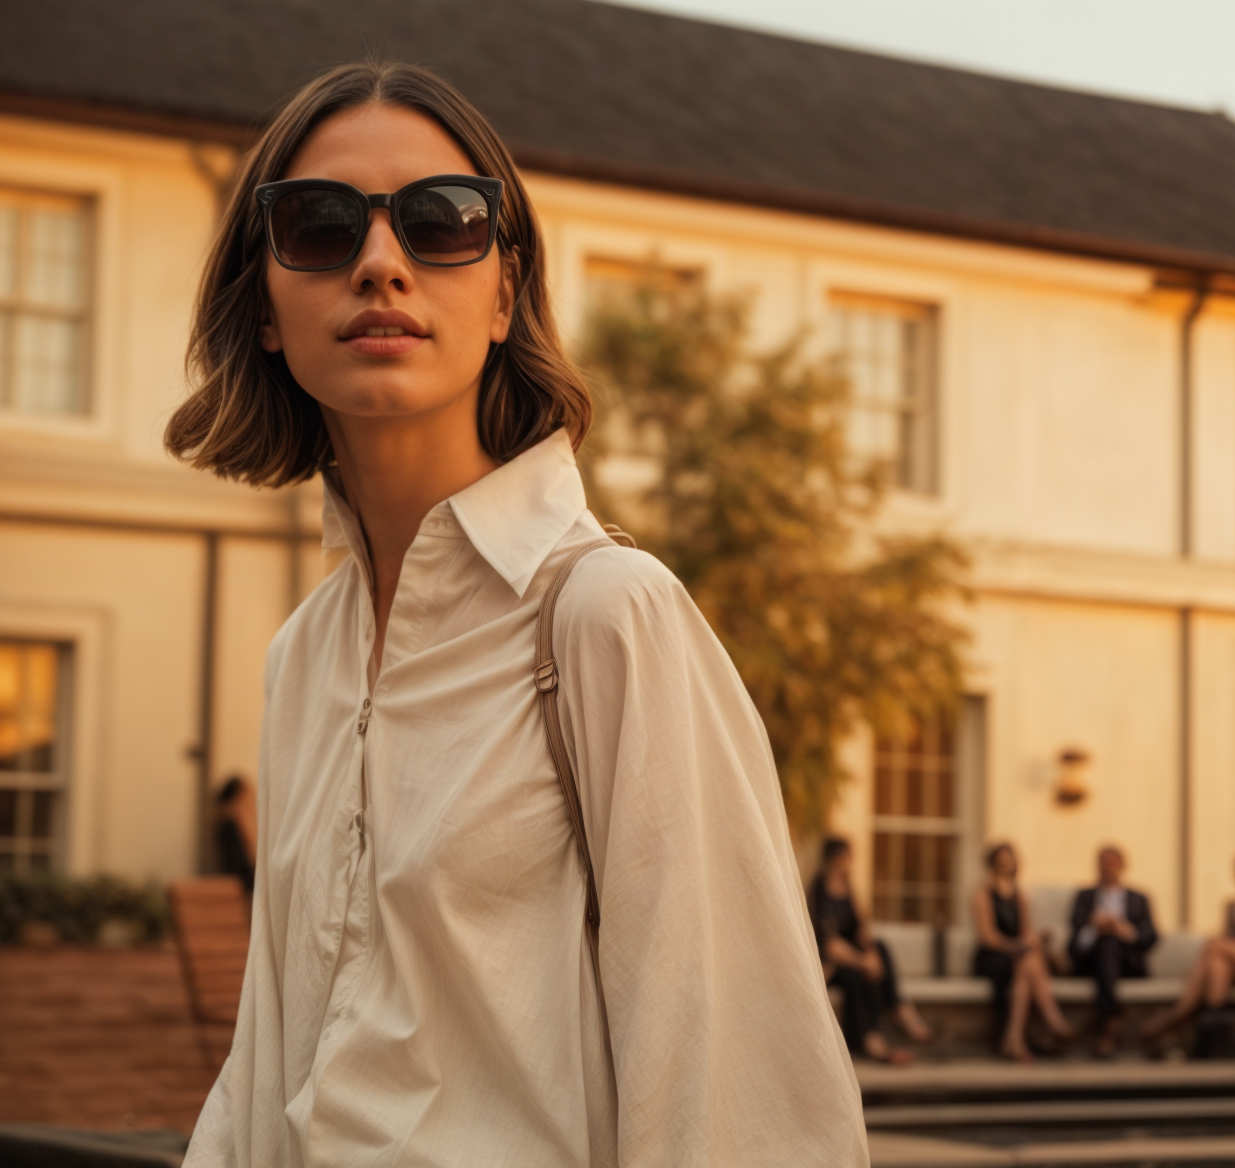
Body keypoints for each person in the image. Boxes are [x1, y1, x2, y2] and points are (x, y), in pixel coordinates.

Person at [166, 62, 866, 1165]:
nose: (380, 262)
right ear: (262, 305)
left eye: (443, 222)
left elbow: (740, 1096)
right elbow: (268, 1062)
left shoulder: (608, 617)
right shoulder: (304, 654)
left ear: (503, 296)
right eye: (320, 225)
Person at [1139, 853, 1235, 1046]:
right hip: (1233, 963)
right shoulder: (1232, 905)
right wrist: (1229, 947)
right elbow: (1226, 936)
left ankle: (1179, 1013)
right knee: (1216, 962)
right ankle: (1213, 1025)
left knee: (1215, 947)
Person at [808, 836, 931, 1065]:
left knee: (881, 948)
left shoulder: (847, 888)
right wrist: (863, 961)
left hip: (852, 955)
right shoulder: (818, 892)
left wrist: (871, 952)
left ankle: (898, 1007)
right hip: (830, 965)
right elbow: (830, 945)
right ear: (833, 859)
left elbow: (861, 928)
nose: (849, 863)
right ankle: (870, 1039)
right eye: (845, 857)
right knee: (857, 976)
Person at [972, 842, 1074, 1061]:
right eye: (1002, 861)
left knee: (1027, 965)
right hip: (992, 956)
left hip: (1018, 957)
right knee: (1027, 961)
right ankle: (1054, 1021)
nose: (1006, 865)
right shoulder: (983, 894)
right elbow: (987, 937)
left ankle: (1014, 1038)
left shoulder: (1020, 896)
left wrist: (1033, 941)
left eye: (1009, 860)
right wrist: (1016, 947)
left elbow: (1026, 931)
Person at [1066, 843, 1160, 1058]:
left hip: (1129, 963)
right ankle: (1111, 1023)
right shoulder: (1084, 897)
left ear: (1122, 866)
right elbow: (1074, 944)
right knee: (1106, 944)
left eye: (1112, 864)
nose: (1108, 868)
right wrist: (1093, 928)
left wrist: (1125, 931)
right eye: (1103, 864)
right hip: (1091, 961)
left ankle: (1105, 1023)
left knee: (1111, 943)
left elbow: (1151, 937)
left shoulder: (1139, 899)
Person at [214, 774, 257, 897]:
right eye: (248, 797)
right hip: (240, 889)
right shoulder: (230, 826)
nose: (252, 802)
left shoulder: (230, 824)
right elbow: (244, 868)